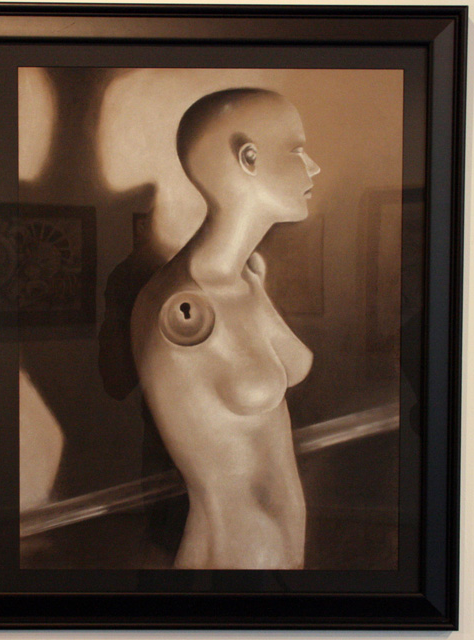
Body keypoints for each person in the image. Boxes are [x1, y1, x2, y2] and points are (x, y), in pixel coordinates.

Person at [131, 88, 320, 569]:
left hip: (279, 551)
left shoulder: (245, 279)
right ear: (248, 159)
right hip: (237, 555)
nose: (314, 167)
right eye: (297, 150)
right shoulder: (179, 305)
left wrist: (256, 291)